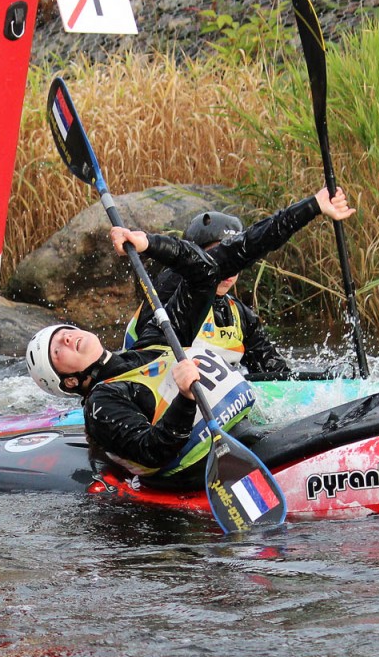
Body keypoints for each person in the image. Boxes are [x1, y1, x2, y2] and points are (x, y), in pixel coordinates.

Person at [26, 187, 354, 481]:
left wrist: (149, 243)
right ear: (70, 381)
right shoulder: (102, 403)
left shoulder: (158, 339)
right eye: (57, 350)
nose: (66, 338)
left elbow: (206, 271)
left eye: (64, 332)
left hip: (252, 432)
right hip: (210, 468)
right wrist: (184, 398)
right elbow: (152, 450)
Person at [123, 195, 349, 379]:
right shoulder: (170, 286)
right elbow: (246, 246)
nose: (229, 269)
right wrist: (312, 206)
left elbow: (277, 377)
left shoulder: (240, 316)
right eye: (219, 257)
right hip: (144, 391)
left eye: (234, 262)